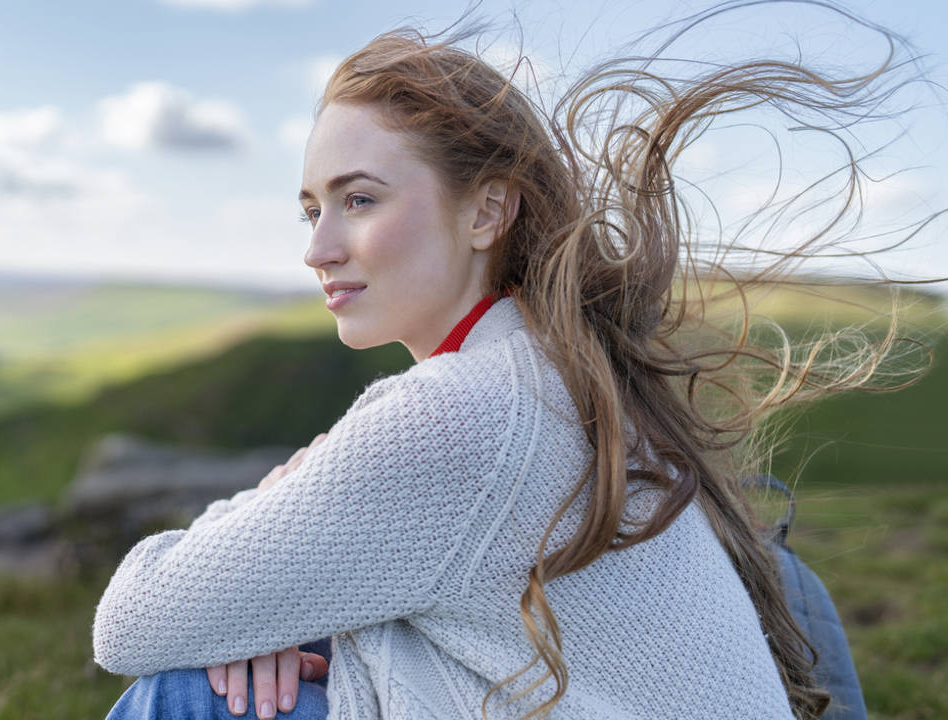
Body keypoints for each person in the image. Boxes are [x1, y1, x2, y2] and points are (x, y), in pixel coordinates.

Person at [92, 1, 938, 718]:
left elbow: (128, 619)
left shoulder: (462, 410)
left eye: (359, 200)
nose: (318, 248)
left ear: (487, 209)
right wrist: (278, 610)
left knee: (185, 693)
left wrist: (274, 507)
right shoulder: (556, 362)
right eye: (311, 208)